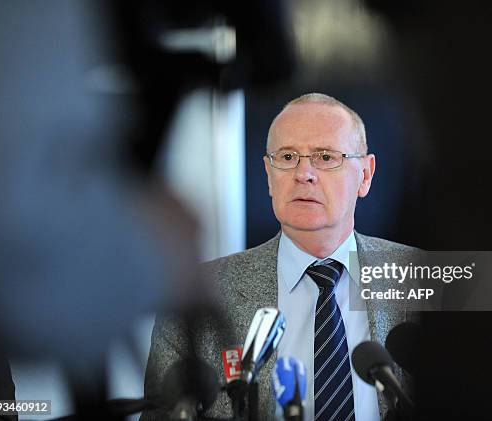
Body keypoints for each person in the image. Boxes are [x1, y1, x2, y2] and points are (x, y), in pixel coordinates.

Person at [141, 93, 418, 421]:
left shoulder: (427, 275)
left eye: (326, 157)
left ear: (366, 174)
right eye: (287, 157)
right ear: (269, 175)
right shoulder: (193, 293)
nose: (304, 174)